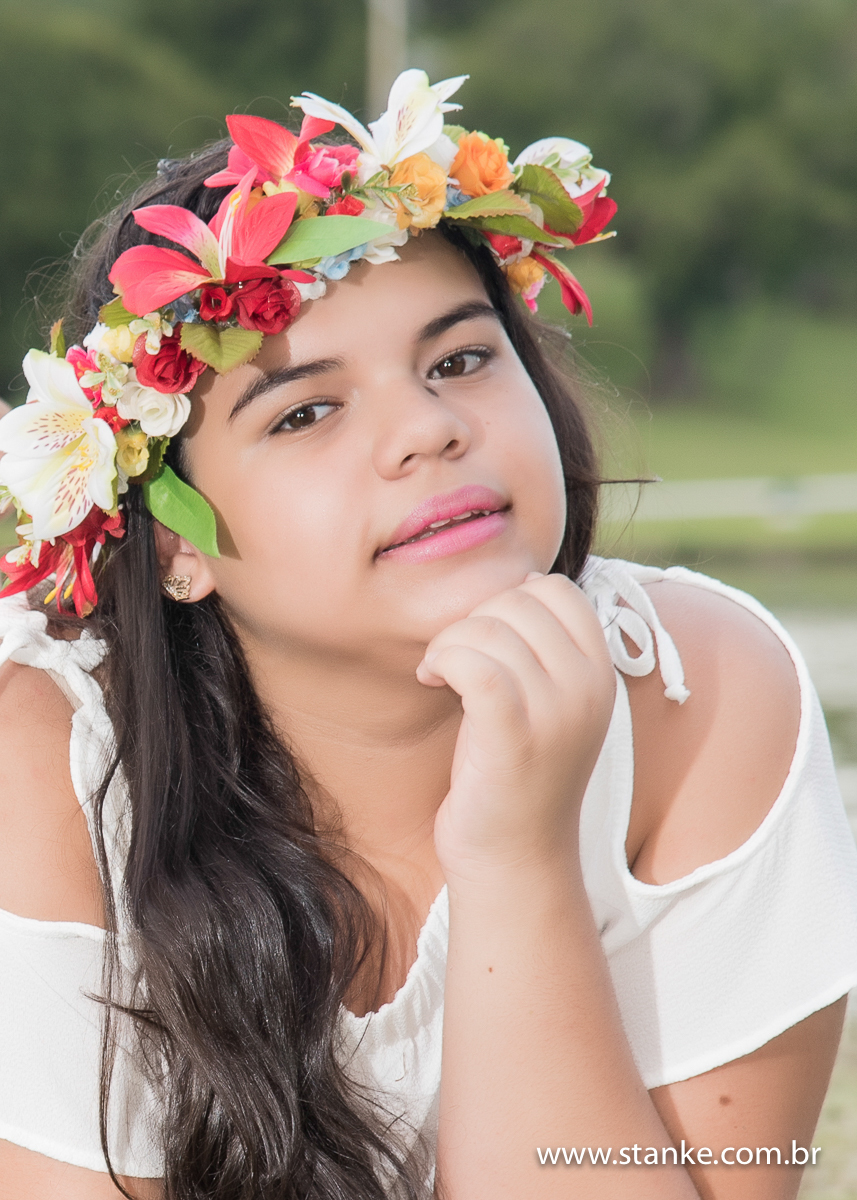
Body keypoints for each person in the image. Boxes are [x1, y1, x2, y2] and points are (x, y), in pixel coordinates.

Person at [0, 69, 855, 1200]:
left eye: (458, 359)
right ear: (172, 550)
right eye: (304, 411)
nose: (427, 430)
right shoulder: (50, 761)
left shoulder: (702, 701)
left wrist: (516, 859)